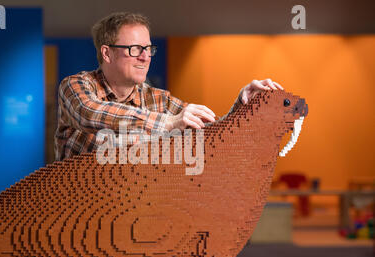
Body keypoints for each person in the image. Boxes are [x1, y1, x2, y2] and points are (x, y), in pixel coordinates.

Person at [54, 12, 284, 160]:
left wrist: (243, 105)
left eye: (148, 49)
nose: (145, 57)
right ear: (107, 53)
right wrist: (168, 122)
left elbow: (209, 132)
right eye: (135, 49)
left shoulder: (159, 100)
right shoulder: (75, 86)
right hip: (76, 219)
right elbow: (90, 113)